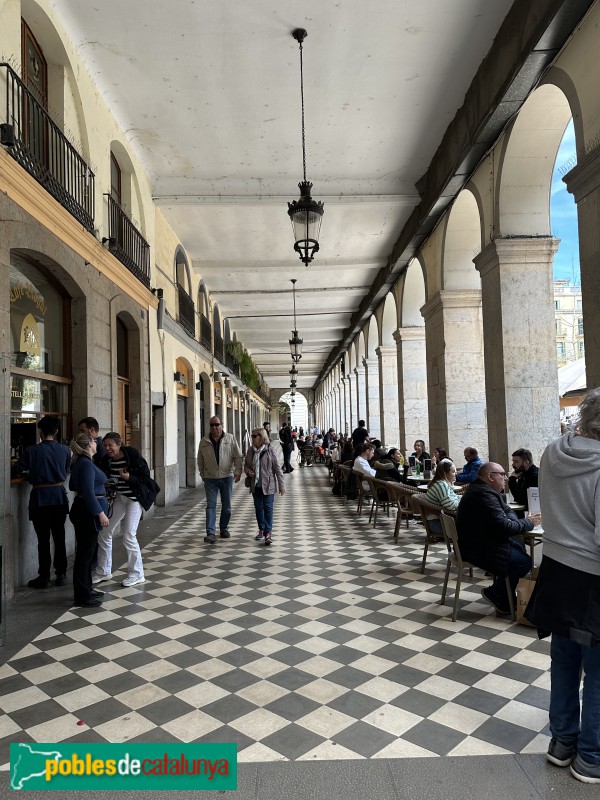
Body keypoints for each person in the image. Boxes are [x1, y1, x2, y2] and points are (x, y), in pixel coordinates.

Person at [525, 389, 600, 783]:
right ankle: (592, 757)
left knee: (566, 662)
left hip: (556, 571)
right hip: (593, 579)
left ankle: (562, 743)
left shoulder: (553, 452)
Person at [456, 462, 540, 616]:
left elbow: (507, 510)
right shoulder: (483, 494)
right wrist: (529, 523)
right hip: (477, 548)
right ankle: (496, 593)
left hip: (479, 541)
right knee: (524, 562)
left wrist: (513, 522)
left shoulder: (484, 490)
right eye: (502, 474)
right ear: (490, 477)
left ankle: (503, 594)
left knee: (518, 549)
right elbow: (505, 527)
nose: (506, 478)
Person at [11, 416, 71, 589]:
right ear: (57, 431)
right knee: (59, 537)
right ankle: (61, 574)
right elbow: (66, 469)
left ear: (41, 432)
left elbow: (16, 469)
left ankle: (44, 577)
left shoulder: (31, 451)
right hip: (59, 497)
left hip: (40, 498)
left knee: (43, 539)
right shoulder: (65, 450)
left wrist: (33, 473)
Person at [94, 432, 157, 587]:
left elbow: (145, 477)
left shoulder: (132, 456)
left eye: (110, 445)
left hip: (134, 499)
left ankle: (137, 574)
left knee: (128, 534)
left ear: (119, 444)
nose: (107, 448)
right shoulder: (106, 460)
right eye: (105, 445)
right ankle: (104, 571)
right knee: (104, 532)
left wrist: (129, 478)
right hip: (120, 498)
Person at [69, 432, 109, 608]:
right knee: (85, 555)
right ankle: (82, 596)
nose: (96, 442)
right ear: (88, 445)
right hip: (87, 513)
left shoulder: (82, 462)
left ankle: (87, 589)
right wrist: (100, 513)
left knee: (87, 553)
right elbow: (87, 492)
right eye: (93, 440)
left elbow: (72, 485)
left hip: (83, 511)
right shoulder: (85, 464)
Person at [197, 416, 243, 544]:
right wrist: (203, 474)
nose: (214, 427)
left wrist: (238, 471)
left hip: (226, 477)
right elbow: (200, 459)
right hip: (210, 478)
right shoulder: (204, 441)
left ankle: (224, 528)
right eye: (211, 425)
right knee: (210, 506)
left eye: (216, 424)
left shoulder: (230, 438)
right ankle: (210, 533)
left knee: (227, 506)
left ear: (222, 425)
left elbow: (238, 457)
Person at [244, 427, 285, 546]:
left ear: (261, 437)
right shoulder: (250, 451)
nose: (252, 438)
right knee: (258, 507)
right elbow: (246, 466)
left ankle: (268, 532)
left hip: (269, 484)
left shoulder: (270, 451)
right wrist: (248, 472)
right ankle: (261, 529)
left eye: (254, 436)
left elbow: (277, 469)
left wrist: (281, 485)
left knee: (268, 508)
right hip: (255, 485)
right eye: (252, 436)